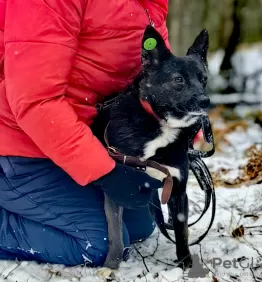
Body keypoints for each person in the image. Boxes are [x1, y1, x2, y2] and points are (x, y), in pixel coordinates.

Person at [0, 0, 170, 266]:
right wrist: (105, 172)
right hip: (20, 146)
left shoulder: (149, 3)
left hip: (79, 143)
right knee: (100, 245)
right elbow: (36, 101)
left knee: (139, 227)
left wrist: (179, 128)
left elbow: (152, 79)